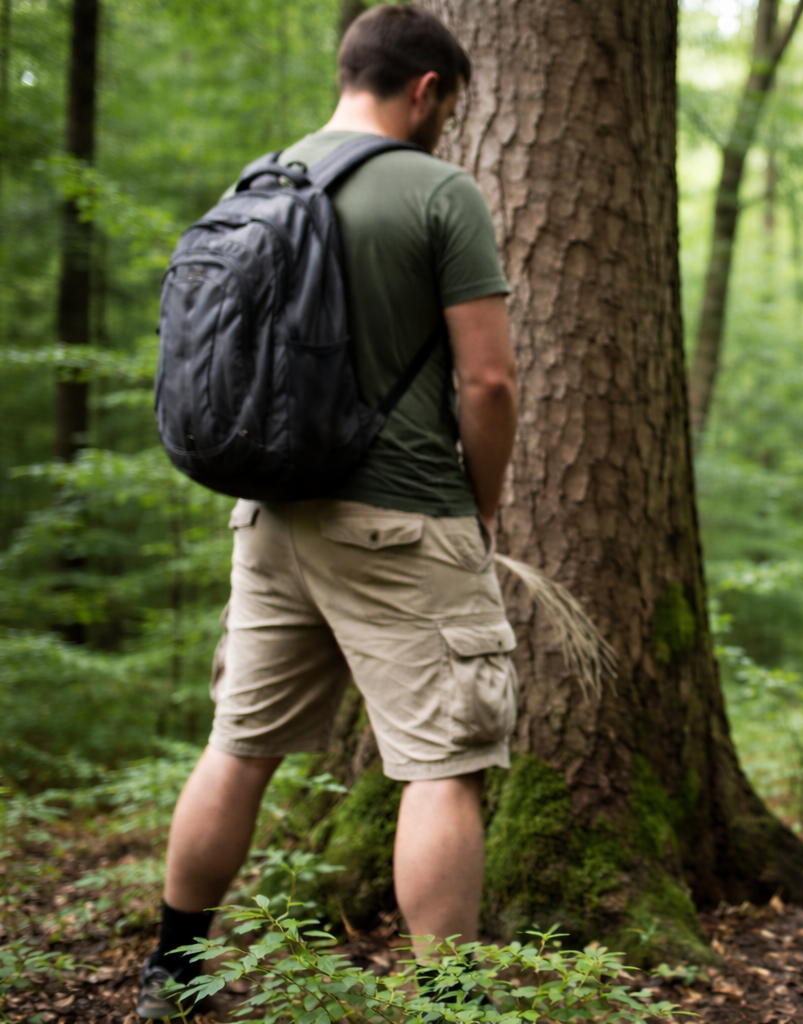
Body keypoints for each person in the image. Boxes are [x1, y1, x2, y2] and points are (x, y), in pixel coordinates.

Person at [138, 6, 517, 1018]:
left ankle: (171, 972)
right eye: (452, 105)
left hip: (270, 516)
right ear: (428, 90)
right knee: (444, 764)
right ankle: (452, 1004)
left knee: (240, 744)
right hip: (403, 519)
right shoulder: (439, 191)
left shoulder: (257, 183)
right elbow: (488, 383)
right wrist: (477, 508)